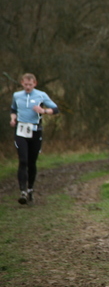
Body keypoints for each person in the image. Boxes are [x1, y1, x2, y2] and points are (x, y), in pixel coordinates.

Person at [10, 73, 59, 204]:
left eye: (30, 85)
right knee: (23, 160)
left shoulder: (41, 95)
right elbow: (13, 109)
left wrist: (44, 111)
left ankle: (30, 188)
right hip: (20, 131)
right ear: (22, 83)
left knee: (31, 162)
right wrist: (13, 119)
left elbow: (55, 109)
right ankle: (23, 192)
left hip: (35, 131)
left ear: (35, 84)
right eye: (26, 84)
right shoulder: (16, 95)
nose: (28, 87)